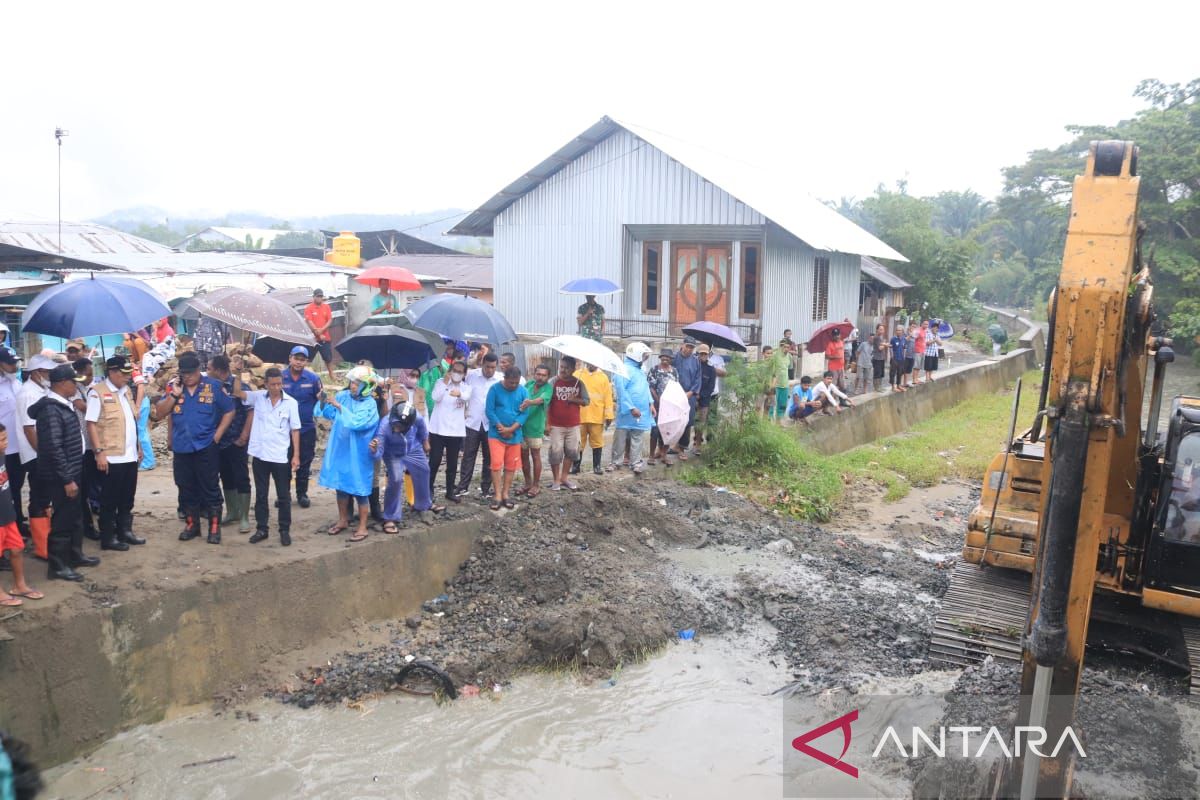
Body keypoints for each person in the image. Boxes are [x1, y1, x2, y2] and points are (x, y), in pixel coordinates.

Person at [154, 352, 235, 544]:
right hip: (182, 448)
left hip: (206, 446)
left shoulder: (213, 387)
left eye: (191, 373)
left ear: (199, 371)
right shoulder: (175, 388)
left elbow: (229, 410)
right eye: (184, 373)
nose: (187, 377)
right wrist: (174, 395)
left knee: (210, 487)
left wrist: (217, 435)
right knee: (185, 486)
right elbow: (160, 413)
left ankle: (214, 528)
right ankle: (192, 525)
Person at [30, 364, 98, 580]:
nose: (76, 386)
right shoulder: (51, 410)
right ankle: (58, 566)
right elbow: (53, 448)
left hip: (72, 469)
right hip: (60, 476)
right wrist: (67, 479)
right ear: (60, 384)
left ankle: (75, 554)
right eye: (73, 382)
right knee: (61, 519)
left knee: (75, 515)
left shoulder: (62, 404)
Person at [232, 366, 301, 546]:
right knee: (261, 495)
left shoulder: (291, 403)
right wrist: (238, 373)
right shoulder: (258, 398)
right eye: (273, 384)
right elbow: (237, 392)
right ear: (266, 384)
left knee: (283, 495)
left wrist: (296, 456)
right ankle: (262, 528)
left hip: (280, 456)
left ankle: (284, 530)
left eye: (279, 384)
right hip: (260, 455)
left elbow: (295, 430)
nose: (276, 387)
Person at [84, 355, 145, 552]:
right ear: (112, 372)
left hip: (129, 455)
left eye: (129, 373)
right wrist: (99, 452)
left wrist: (138, 446)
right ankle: (108, 536)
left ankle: (124, 531)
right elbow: (91, 424)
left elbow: (131, 421)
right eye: (123, 373)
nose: (127, 377)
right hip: (111, 456)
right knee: (109, 499)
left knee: (127, 496)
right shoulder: (97, 393)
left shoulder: (126, 391)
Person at [318, 366, 381, 542]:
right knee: (341, 486)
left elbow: (357, 423)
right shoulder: (343, 396)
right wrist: (323, 402)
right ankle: (343, 520)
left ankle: (362, 526)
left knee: (360, 489)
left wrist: (339, 407)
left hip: (359, 453)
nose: (353, 386)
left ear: (367, 386)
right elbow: (329, 413)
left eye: (357, 383)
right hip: (341, 449)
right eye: (352, 382)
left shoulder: (370, 405)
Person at [371, 386, 437, 532]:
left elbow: (422, 429)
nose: (397, 427)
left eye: (401, 426)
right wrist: (375, 450)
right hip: (393, 453)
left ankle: (422, 504)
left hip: (413, 448)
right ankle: (390, 516)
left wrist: (425, 442)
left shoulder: (417, 418)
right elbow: (379, 451)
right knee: (395, 480)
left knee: (424, 470)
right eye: (395, 424)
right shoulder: (384, 426)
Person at [206, 355, 253, 534]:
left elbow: (250, 412)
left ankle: (244, 517)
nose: (207, 372)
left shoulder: (239, 386)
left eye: (209, 369)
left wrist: (244, 436)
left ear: (218, 370)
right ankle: (233, 512)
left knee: (241, 477)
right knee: (226, 477)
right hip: (218, 441)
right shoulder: (211, 387)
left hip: (236, 440)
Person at [16, 355, 55, 559]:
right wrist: (43, 454)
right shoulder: (28, 394)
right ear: (36, 373)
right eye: (46, 372)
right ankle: (42, 547)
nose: (49, 375)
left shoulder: (42, 390)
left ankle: (47, 540)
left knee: (46, 496)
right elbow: (29, 428)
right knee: (39, 497)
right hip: (35, 454)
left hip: (43, 453)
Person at [0, 423, 42, 606]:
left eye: (6, 438)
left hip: (7, 514)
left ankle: (20, 586)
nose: (5, 443)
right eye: (1, 440)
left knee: (17, 549)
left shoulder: (3, 457)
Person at [281, 346, 324, 508]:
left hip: (306, 428)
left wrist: (323, 398)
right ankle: (283, 495)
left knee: (304, 462)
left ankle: (302, 494)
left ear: (306, 361)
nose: (299, 362)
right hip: (283, 429)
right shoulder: (281, 377)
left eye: (302, 359)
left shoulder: (313, 379)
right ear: (290, 358)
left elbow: (321, 399)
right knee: (283, 462)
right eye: (296, 358)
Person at [485, 366, 529, 510]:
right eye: (511, 382)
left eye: (516, 383)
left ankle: (505, 494)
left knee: (511, 466)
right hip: (496, 435)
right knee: (496, 464)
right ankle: (497, 495)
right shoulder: (494, 389)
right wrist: (501, 428)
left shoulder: (523, 391)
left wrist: (511, 429)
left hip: (515, 435)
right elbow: (489, 411)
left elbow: (524, 413)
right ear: (504, 379)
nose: (514, 385)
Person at [457, 353, 500, 499]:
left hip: (491, 424)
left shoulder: (500, 379)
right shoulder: (471, 375)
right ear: (482, 364)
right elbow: (457, 376)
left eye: (493, 367)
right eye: (487, 367)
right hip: (472, 421)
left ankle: (486, 489)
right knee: (468, 455)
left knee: (489, 457)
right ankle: (463, 486)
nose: (490, 370)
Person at [428, 360, 471, 502]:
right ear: (450, 370)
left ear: (464, 374)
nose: (457, 374)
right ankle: (429, 490)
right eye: (455, 370)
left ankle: (450, 491)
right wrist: (445, 383)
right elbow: (435, 397)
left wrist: (459, 394)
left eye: (460, 372)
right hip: (438, 429)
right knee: (434, 461)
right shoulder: (441, 382)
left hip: (455, 431)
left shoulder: (466, 387)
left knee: (452, 464)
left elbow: (467, 397)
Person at [546, 356, 588, 491]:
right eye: (561, 367)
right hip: (556, 425)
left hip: (573, 424)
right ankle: (556, 479)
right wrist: (547, 423)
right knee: (555, 452)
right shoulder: (553, 382)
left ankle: (564, 478)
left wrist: (575, 399)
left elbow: (586, 401)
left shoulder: (579, 383)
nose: (563, 370)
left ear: (573, 369)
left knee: (571, 452)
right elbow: (546, 403)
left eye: (566, 368)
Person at [610, 342, 653, 473]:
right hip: (627, 411)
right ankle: (615, 462)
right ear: (637, 355)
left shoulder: (641, 370)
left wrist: (651, 404)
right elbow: (621, 391)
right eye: (644, 355)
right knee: (621, 437)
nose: (645, 358)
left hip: (642, 411)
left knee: (637, 437)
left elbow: (646, 388)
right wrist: (631, 408)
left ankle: (635, 463)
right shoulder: (623, 370)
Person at [0, 348, 27, 539]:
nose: (14, 366)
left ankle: (17, 523)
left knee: (15, 488)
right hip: (3, 451)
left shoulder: (16, 382)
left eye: (16, 362)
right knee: (3, 493)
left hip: (19, 447)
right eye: (10, 362)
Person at [572, 359, 614, 476]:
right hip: (580, 415)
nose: (592, 364)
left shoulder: (603, 377)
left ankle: (597, 466)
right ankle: (576, 466)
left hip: (596, 415)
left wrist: (609, 415)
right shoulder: (577, 374)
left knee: (597, 442)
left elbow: (608, 398)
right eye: (590, 362)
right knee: (578, 442)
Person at [517, 364, 552, 498]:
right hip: (522, 426)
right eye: (538, 374)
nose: (540, 377)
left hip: (536, 428)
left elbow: (541, 400)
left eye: (544, 375)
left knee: (535, 456)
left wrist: (529, 402)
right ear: (534, 374)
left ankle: (536, 485)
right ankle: (527, 483)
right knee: (524, 456)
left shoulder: (548, 388)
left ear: (548, 377)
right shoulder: (529, 384)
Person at [647, 349, 677, 464]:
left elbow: (676, 387)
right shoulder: (654, 370)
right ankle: (651, 455)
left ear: (671, 359)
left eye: (667, 358)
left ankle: (664, 454)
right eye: (663, 357)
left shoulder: (674, 371)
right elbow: (651, 387)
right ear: (660, 358)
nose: (665, 359)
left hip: (669, 407)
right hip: (657, 406)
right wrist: (659, 400)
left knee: (667, 431)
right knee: (655, 431)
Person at [673, 337, 701, 458]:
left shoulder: (696, 361)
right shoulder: (674, 358)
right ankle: (670, 446)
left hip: (689, 396)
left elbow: (698, 379)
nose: (689, 349)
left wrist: (691, 392)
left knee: (687, 421)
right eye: (688, 346)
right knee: (673, 419)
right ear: (682, 345)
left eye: (692, 347)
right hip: (674, 395)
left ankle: (682, 448)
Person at [303, 288, 337, 383]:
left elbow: (330, 320)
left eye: (321, 296)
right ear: (314, 297)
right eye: (318, 296)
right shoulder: (309, 308)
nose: (319, 298)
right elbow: (309, 321)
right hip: (312, 339)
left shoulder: (326, 307)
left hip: (325, 337)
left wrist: (322, 330)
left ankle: (331, 374)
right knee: (307, 358)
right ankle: (304, 375)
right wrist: (316, 331)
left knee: (328, 358)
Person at [695, 344, 717, 452]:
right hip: (692, 398)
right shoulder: (694, 366)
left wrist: (701, 395)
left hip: (704, 400)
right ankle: (691, 443)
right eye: (701, 353)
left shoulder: (711, 369)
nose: (703, 355)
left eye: (705, 354)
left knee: (701, 423)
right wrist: (695, 394)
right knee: (691, 422)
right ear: (698, 354)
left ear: (708, 355)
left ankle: (698, 445)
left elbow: (711, 387)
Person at [870, 323, 888, 393]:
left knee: (881, 373)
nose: (882, 331)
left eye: (883, 329)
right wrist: (885, 345)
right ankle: (876, 387)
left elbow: (882, 346)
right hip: (877, 358)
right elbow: (880, 348)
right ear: (877, 330)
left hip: (881, 358)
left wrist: (884, 343)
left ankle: (880, 386)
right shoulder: (876, 337)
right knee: (877, 373)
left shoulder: (881, 338)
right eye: (880, 329)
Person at [889, 325, 907, 392]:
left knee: (900, 373)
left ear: (902, 331)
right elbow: (890, 348)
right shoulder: (893, 339)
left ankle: (898, 385)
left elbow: (904, 348)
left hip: (901, 359)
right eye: (897, 330)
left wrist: (904, 357)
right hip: (894, 359)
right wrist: (892, 357)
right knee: (892, 373)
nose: (898, 331)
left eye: (900, 330)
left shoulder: (903, 339)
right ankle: (893, 387)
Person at [913, 320, 928, 384]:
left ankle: (917, 378)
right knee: (916, 366)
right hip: (917, 350)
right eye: (925, 324)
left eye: (927, 324)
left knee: (919, 366)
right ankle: (914, 380)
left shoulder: (925, 331)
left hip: (923, 351)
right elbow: (913, 337)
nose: (926, 325)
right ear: (922, 324)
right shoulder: (918, 330)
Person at [903, 323, 918, 389]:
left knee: (908, 370)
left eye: (915, 327)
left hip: (913, 355)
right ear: (909, 327)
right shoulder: (906, 334)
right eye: (912, 326)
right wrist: (910, 334)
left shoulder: (916, 336)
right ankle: (900, 384)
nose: (913, 328)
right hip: (906, 355)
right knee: (903, 370)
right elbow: (904, 342)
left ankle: (905, 383)